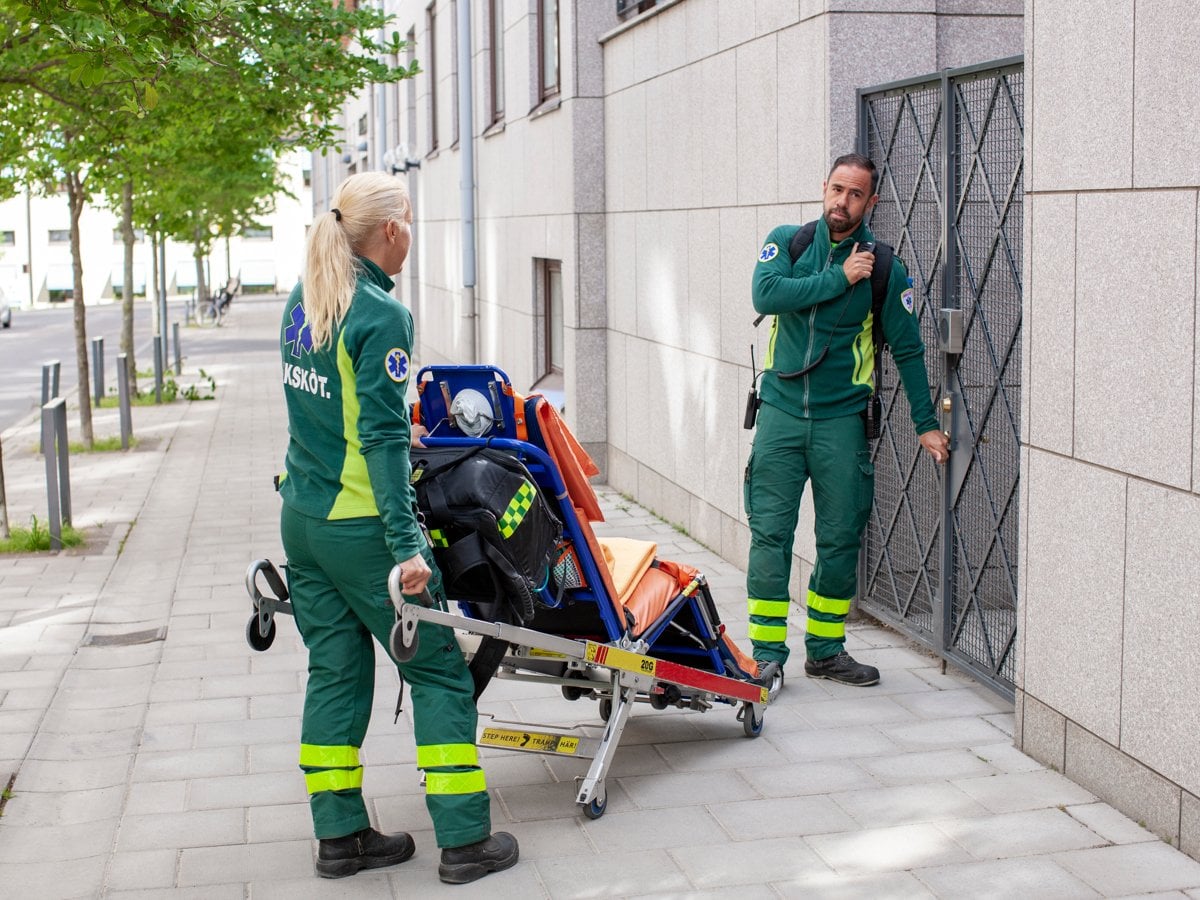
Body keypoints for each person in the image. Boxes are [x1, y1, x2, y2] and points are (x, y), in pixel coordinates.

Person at [277, 171, 518, 883]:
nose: (412, 233)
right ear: (390, 230)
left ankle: (341, 835)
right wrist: (409, 548)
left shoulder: (307, 296)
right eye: (409, 221)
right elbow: (382, 443)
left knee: (335, 673)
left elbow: (317, 416)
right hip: (362, 532)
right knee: (440, 672)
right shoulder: (380, 315)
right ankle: (466, 840)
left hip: (304, 520)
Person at [745, 153, 949, 688]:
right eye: (837, 189)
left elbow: (907, 349)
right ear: (824, 188)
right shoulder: (787, 242)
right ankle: (766, 654)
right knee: (771, 535)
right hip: (781, 415)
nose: (843, 201)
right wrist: (837, 278)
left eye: (855, 194)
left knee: (839, 540)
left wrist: (925, 422)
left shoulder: (883, 267)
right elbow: (767, 294)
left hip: (842, 420)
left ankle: (826, 650)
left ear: (870, 201)